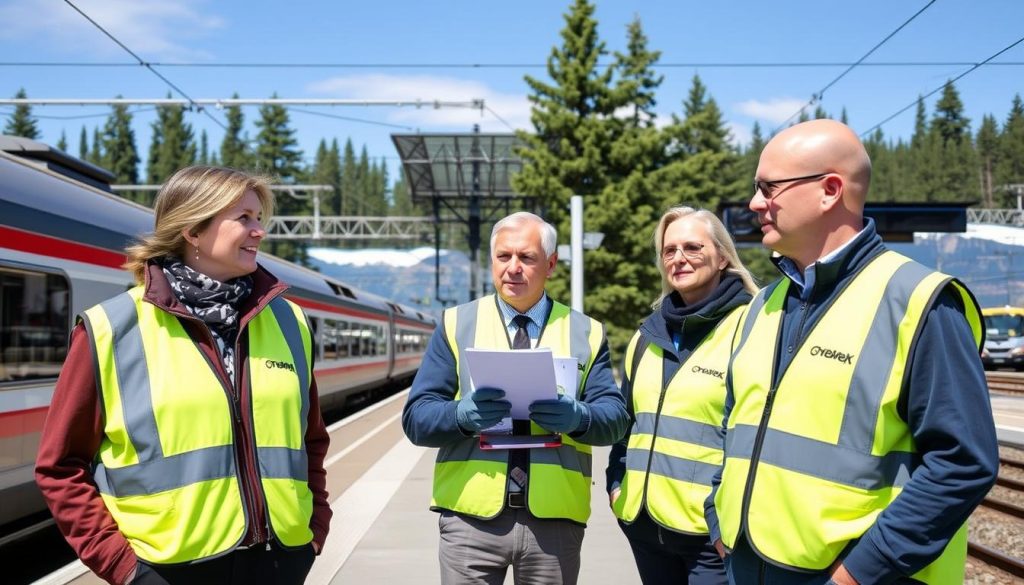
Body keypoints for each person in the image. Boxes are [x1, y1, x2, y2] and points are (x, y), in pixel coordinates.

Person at [705, 119, 999, 585]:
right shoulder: (764, 303)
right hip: (746, 565)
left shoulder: (919, 301)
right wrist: (719, 518)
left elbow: (963, 461)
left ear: (830, 190)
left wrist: (859, 572)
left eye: (768, 187)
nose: (755, 203)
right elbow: (734, 422)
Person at [35, 166, 332, 585]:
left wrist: (314, 530)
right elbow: (60, 465)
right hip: (169, 570)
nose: (259, 231)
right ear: (193, 229)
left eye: (259, 218)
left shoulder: (289, 322)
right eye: (243, 218)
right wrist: (122, 566)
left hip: (280, 561)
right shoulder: (111, 328)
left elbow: (311, 439)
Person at [402, 211, 629, 585]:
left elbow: (615, 419)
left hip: (554, 524)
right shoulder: (456, 324)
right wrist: (461, 415)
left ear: (551, 264)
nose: (513, 268)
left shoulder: (587, 332)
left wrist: (580, 418)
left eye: (526, 258)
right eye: (503, 257)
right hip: (469, 522)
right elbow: (416, 419)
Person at [606, 206, 757, 585]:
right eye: (669, 250)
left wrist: (727, 520)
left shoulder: (752, 328)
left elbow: (757, 434)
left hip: (711, 537)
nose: (678, 258)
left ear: (723, 256)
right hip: (644, 526)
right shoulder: (646, 336)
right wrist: (615, 481)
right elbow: (627, 422)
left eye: (692, 247)